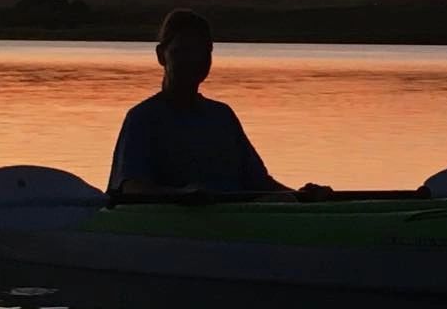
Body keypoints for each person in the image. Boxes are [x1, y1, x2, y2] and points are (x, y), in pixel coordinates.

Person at [108, 10, 318, 196]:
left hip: (235, 227)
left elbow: (259, 185)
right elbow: (131, 188)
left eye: (203, 51)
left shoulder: (222, 116)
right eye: (184, 50)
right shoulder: (143, 118)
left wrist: (302, 197)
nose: (194, 59)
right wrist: (180, 195)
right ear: (161, 55)